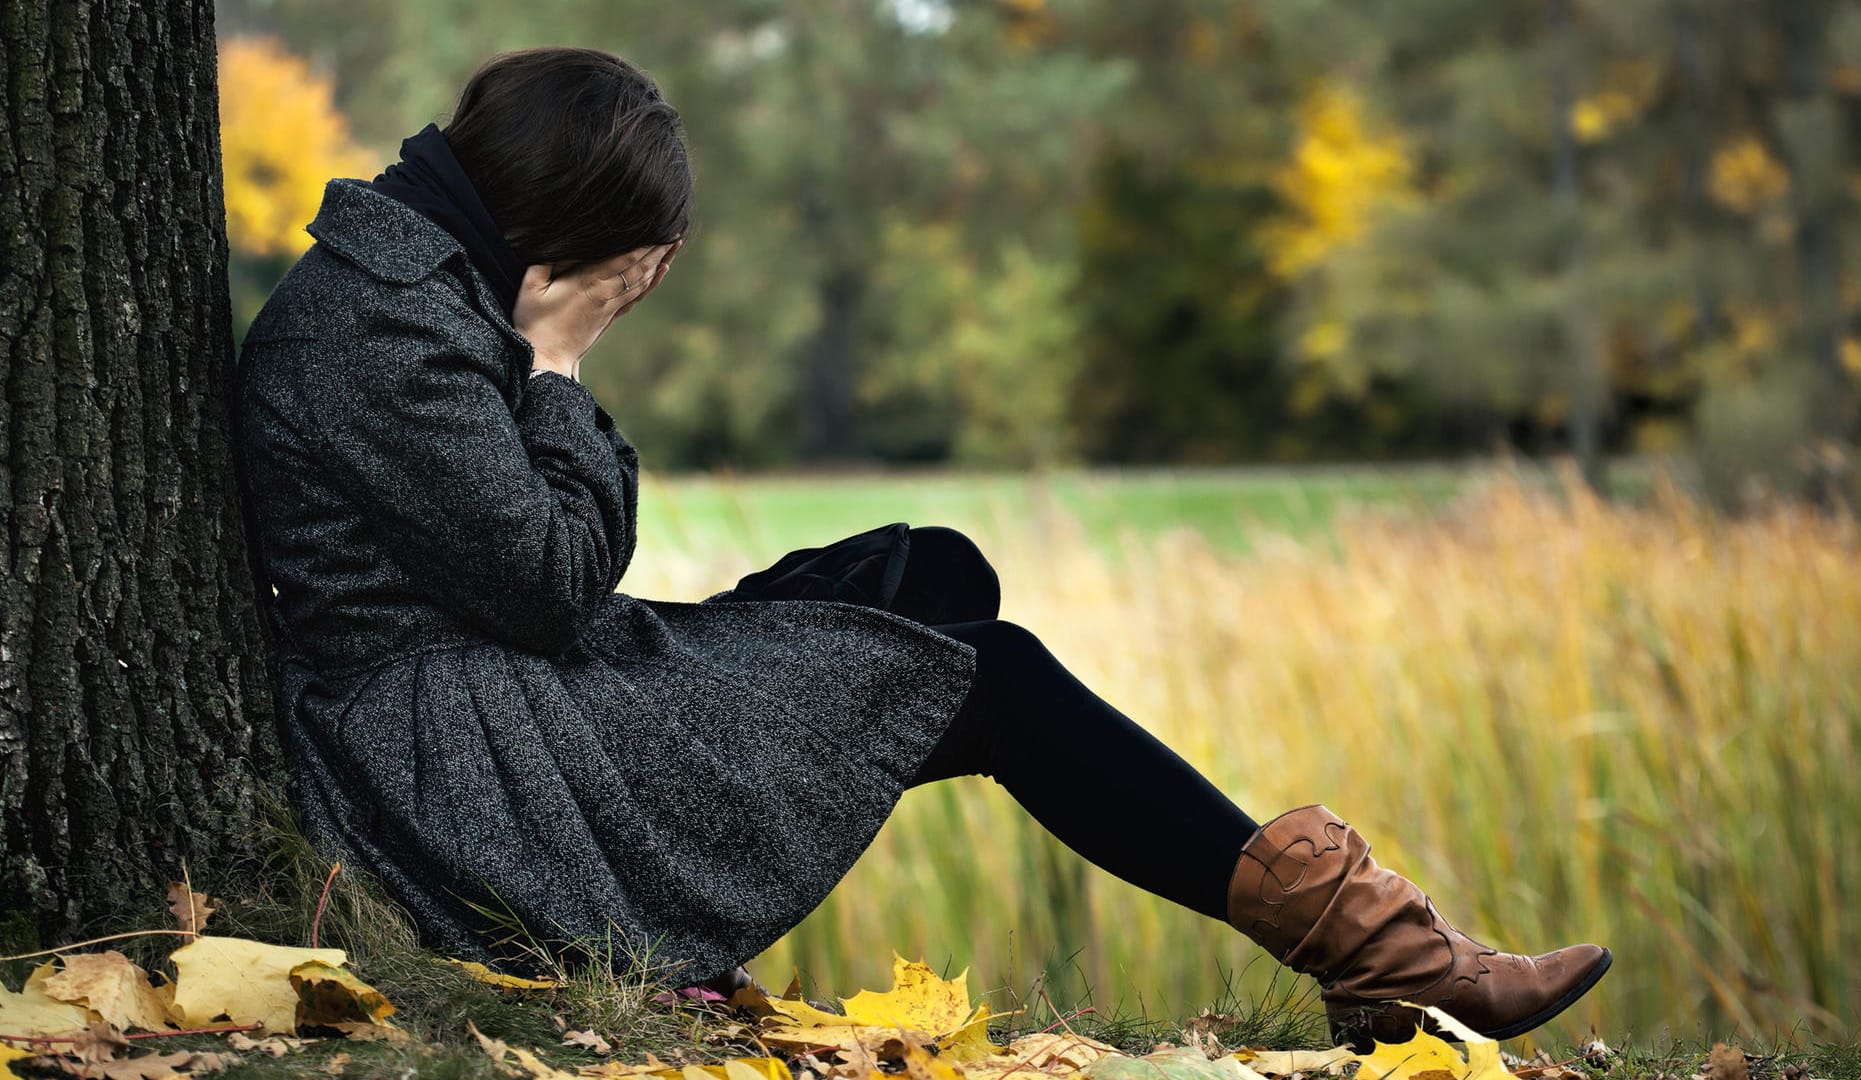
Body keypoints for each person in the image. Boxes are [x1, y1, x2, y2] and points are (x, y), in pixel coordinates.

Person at [229, 46, 1610, 1050]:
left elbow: (538, 565)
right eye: (636, 268)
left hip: (507, 694)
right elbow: (543, 584)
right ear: (566, 236)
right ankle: (1391, 961)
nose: (639, 295)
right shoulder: (390, 330)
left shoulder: (422, 278)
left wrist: (545, 362)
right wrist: (561, 368)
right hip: (459, 759)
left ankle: (1378, 954)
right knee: (987, 676)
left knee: (928, 574)